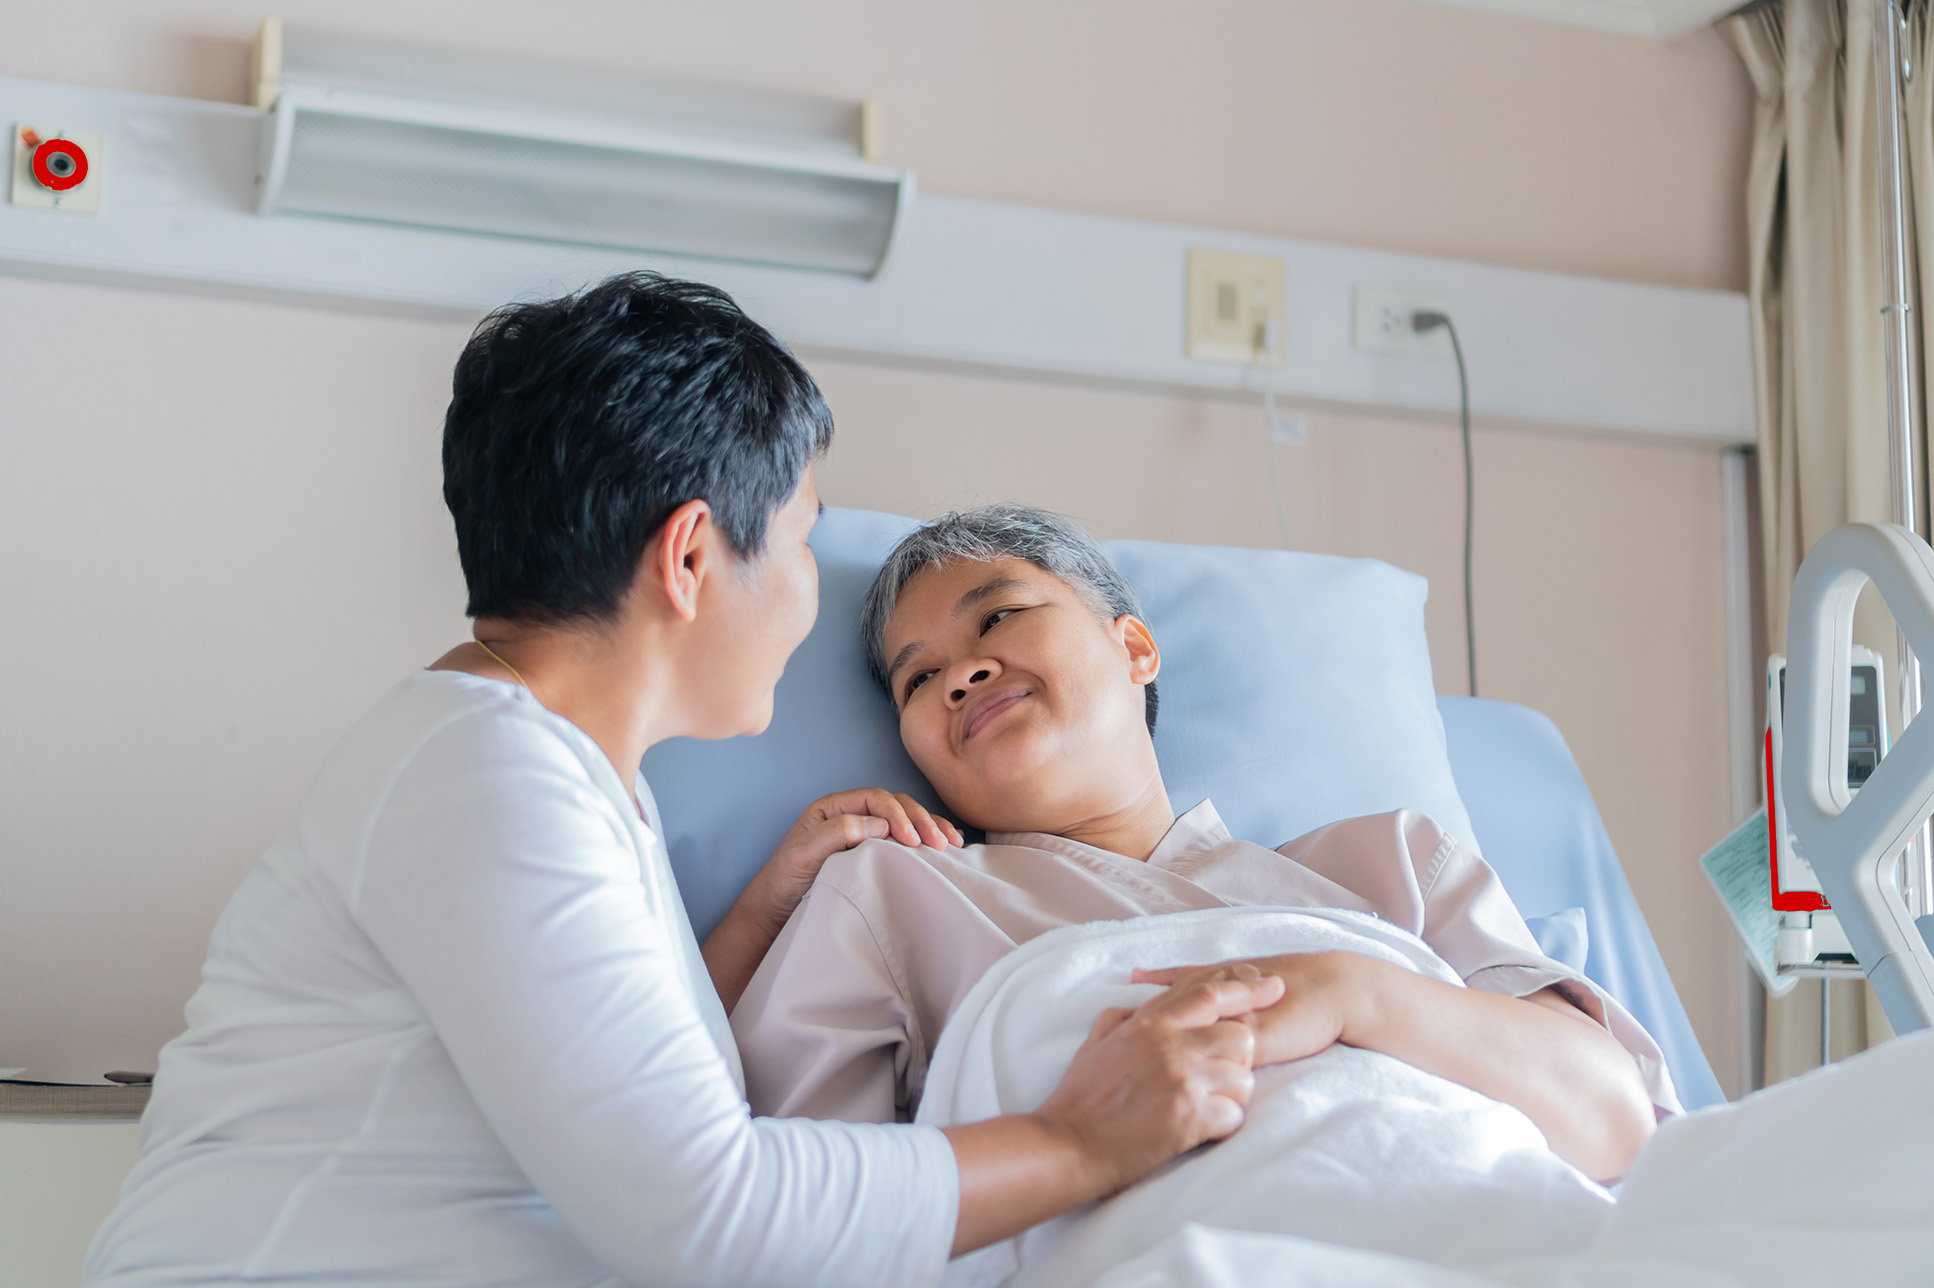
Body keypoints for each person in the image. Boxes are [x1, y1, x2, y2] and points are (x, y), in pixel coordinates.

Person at [83, 277, 1286, 1288]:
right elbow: (709, 1211)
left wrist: (760, 912)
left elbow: (607, 1091)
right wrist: (1082, 1139)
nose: (812, 590)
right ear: (694, 555)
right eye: (805, 537)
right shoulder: (487, 776)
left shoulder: (556, 773)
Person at [731, 503, 1670, 1186]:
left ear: (1135, 649)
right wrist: (763, 910)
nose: (963, 672)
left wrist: (1351, 989)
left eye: (1000, 617)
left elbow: (1615, 1120)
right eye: (917, 679)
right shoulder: (893, 899)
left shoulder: (1389, 863)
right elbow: (801, 1214)